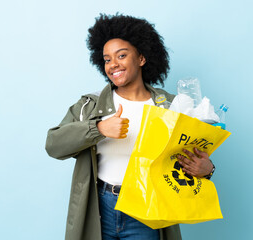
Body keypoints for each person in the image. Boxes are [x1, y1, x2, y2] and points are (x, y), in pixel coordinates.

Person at [45, 13, 214, 240]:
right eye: (107, 59)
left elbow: (192, 154)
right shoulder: (91, 105)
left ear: (142, 58)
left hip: (145, 210)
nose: (113, 64)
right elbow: (53, 145)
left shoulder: (171, 106)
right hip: (99, 208)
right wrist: (100, 129)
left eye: (121, 55)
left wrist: (208, 170)